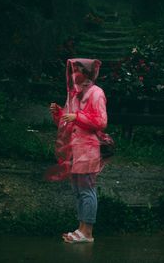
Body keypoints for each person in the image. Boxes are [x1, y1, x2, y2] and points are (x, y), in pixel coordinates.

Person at [47, 58, 112, 244]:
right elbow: (67, 123)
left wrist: (76, 116)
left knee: (87, 190)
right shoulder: (75, 94)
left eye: (76, 71)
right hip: (74, 150)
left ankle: (88, 232)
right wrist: (59, 113)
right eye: (72, 71)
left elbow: (101, 122)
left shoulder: (96, 93)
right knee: (78, 190)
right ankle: (81, 229)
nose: (73, 75)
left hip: (88, 148)